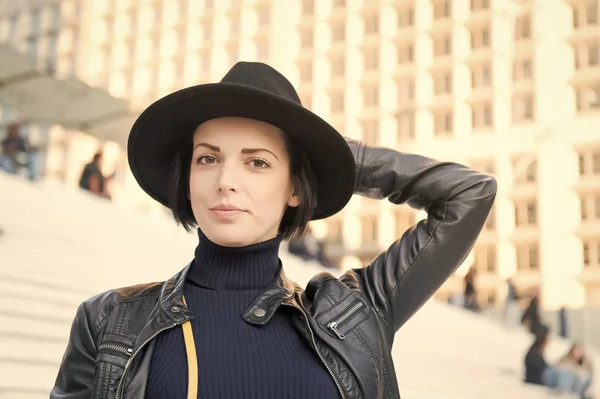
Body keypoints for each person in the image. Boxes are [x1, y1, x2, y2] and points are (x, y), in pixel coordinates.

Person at [51, 62, 497, 398]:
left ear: (295, 190)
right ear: (186, 181)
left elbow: (468, 193)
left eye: (257, 162)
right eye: (207, 158)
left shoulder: (355, 315)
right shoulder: (109, 321)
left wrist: (329, 157)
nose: (226, 179)